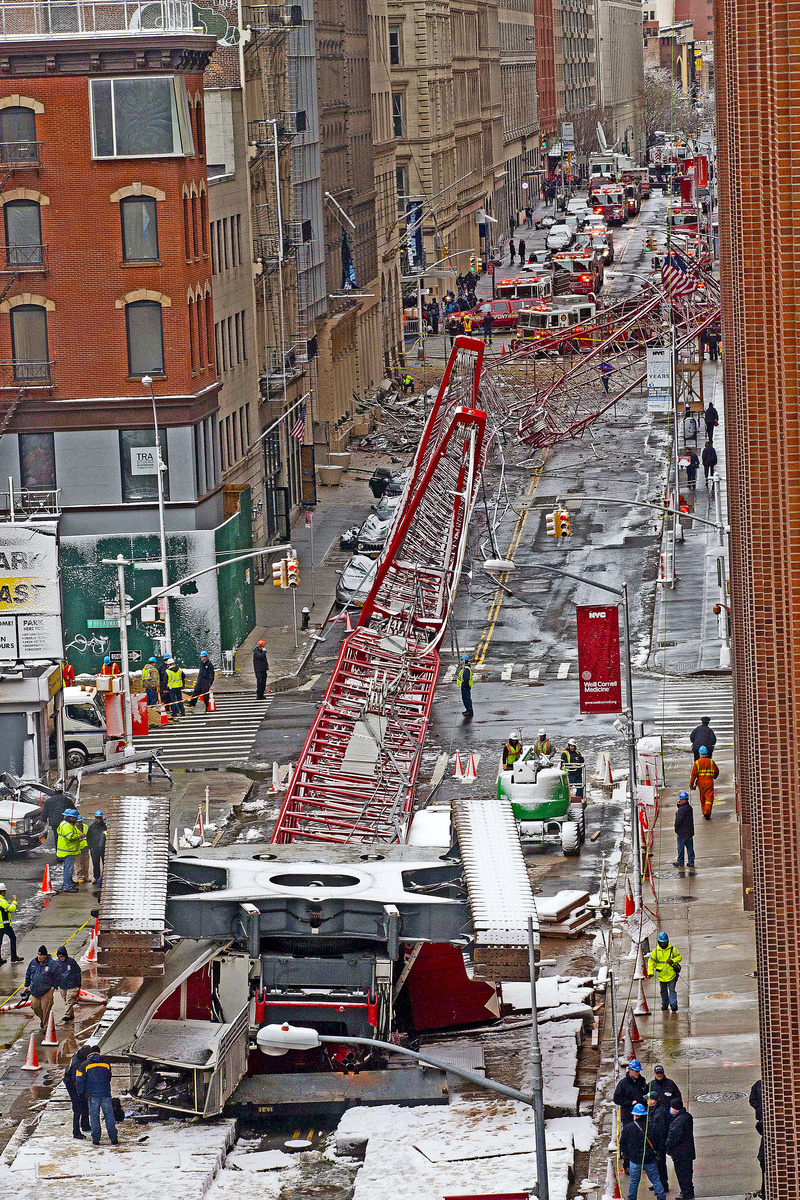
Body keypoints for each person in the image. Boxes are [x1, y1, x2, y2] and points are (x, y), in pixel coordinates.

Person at [620, 1103, 667, 1200]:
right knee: (655, 1180)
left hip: (635, 1159)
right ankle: (661, 1197)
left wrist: (628, 1156)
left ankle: (632, 1198)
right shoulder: (652, 1126)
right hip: (650, 1159)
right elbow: (659, 1142)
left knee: (634, 1182)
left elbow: (623, 1145)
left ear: (635, 1115)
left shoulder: (628, 1128)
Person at [75, 1051, 118, 1146]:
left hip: (92, 1095)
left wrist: (81, 1093)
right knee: (109, 1116)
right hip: (105, 1093)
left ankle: (96, 1139)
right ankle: (113, 1138)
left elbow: (79, 1080)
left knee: (94, 1117)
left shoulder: (84, 1065)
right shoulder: (106, 1064)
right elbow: (109, 1077)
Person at [22, 945, 58, 1030]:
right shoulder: (33, 963)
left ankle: (46, 1027)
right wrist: (26, 985)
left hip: (47, 991)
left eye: (41, 955)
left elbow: (58, 976)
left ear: (45, 956)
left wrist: (53, 987)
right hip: (35, 990)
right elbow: (28, 974)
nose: (39, 957)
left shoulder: (52, 964)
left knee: (46, 1009)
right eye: (38, 954)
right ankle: (43, 1020)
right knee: (35, 1007)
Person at [666, 1098, 695, 1199]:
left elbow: (674, 1137)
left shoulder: (679, 1121)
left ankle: (686, 1193)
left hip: (680, 1153)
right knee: (687, 1172)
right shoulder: (687, 1117)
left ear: (675, 1108)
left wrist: (667, 1145)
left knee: (682, 1174)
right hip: (687, 1152)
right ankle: (688, 1191)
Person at [648, 931, 683, 1012]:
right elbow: (651, 962)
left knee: (672, 990)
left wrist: (673, 960)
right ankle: (665, 1003)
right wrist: (650, 972)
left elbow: (679, 957)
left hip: (671, 975)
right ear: (659, 942)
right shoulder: (655, 952)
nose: (663, 944)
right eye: (662, 942)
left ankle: (673, 1004)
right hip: (661, 976)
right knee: (663, 991)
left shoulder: (672, 949)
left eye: (665, 942)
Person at [645, 1093, 671, 1194]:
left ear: (654, 1100)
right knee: (656, 1164)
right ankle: (658, 1183)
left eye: (649, 1099)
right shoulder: (653, 1109)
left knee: (660, 1164)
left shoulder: (659, 1112)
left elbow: (658, 1129)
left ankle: (663, 1184)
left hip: (659, 1143)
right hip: (656, 1143)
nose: (647, 1101)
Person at [64, 1045, 92, 1139]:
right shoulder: (77, 1064)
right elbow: (76, 1081)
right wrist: (81, 1093)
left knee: (85, 1103)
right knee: (77, 1107)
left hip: (77, 1082)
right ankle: (76, 1131)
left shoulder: (79, 1056)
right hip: (71, 1084)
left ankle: (85, 1125)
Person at [613, 1058, 649, 1130]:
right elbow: (616, 1099)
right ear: (630, 1070)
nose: (637, 1073)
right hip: (628, 1115)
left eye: (638, 1071)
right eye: (636, 1071)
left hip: (642, 1114)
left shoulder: (642, 1081)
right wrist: (630, 1103)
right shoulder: (623, 1084)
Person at [56, 808, 83, 893]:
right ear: (70, 817)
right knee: (68, 869)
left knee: (68, 869)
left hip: (67, 850)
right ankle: (68, 886)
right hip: (68, 851)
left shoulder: (66, 824)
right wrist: (79, 836)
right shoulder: (67, 826)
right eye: (74, 818)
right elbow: (70, 837)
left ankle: (69, 882)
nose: (76, 819)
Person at [689, 746, 719, 819]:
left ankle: (704, 811)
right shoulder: (711, 762)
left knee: (702, 798)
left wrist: (691, 784)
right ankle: (707, 811)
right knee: (709, 798)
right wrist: (714, 777)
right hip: (709, 782)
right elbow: (717, 772)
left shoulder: (697, 763)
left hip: (700, 783)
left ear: (700, 753)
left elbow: (693, 775)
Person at [54, 945, 82, 1023]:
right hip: (62, 985)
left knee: (69, 1000)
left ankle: (66, 1015)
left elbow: (78, 973)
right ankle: (71, 1014)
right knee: (66, 1000)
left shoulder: (71, 962)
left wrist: (78, 984)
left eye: (62, 956)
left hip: (72, 985)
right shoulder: (57, 963)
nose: (61, 958)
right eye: (60, 957)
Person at [0, 882, 23, 965]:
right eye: (5, 891)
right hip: (4, 925)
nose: (5, 892)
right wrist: (14, 901)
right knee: (13, 938)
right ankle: (14, 956)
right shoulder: (2, 901)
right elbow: (11, 909)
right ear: (2, 892)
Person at [749, 1080, 764, 1198]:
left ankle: (764, 1190)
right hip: (762, 1117)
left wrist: (758, 1107)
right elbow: (752, 1100)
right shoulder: (758, 1085)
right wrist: (759, 1108)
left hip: (762, 1117)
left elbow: (752, 1100)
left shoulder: (758, 1085)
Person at [673, 791, 695, 868]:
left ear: (682, 800)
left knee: (680, 849)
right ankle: (691, 862)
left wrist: (676, 828)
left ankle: (680, 862)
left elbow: (678, 820)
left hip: (682, 833)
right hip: (689, 832)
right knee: (690, 848)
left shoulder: (681, 810)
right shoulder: (689, 808)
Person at [86, 811, 107, 885]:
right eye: (97, 818)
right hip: (94, 849)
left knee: (105, 863)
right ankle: (97, 877)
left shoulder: (105, 827)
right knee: (96, 864)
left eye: (99, 818)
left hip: (103, 848)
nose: (98, 820)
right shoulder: (92, 827)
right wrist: (90, 847)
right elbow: (88, 837)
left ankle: (104, 878)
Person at [73, 813, 91, 885]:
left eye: (80, 822)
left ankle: (85, 876)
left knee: (86, 864)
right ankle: (79, 876)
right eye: (78, 822)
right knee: (79, 864)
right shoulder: (73, 828)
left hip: (86, 848)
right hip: (78, 849)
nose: (80, 823)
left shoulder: (86, 826)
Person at [142, 656, 160, 725]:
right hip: (152, 687)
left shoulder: (145, 669)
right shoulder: (153, 670)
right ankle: (154, 716)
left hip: (147, 687)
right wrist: (157, 685)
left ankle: (149, 716)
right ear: (153, 663)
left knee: (148, 701)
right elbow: (154, 679)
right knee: (153, 701)